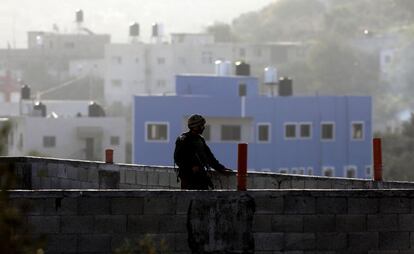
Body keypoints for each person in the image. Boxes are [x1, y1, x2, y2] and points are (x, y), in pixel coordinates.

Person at [174, 114, 232, 190]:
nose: (203, 128)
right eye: (200, 126)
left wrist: (221, 169)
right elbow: (177, 158)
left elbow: (209, 157)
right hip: (188, 177)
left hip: (200, 176)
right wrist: (190, 167)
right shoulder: (183, 139)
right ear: (194, 127)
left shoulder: (200, 139)